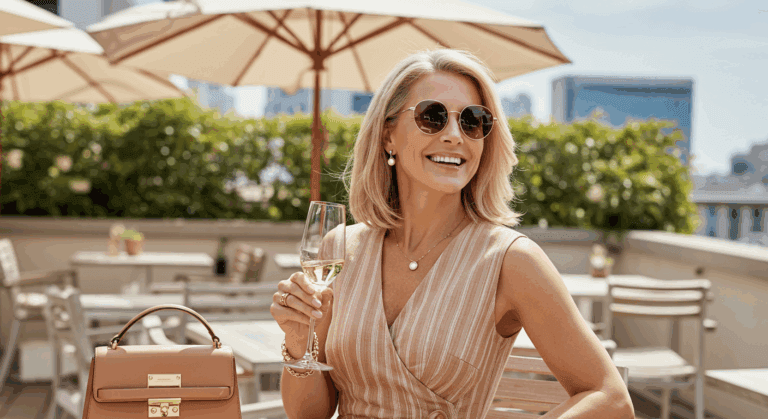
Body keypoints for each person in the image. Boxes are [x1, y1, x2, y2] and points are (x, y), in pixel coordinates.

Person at [271, 49, 634, 419]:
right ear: (387, 136)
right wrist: (300, 342)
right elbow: (310, 413)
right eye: (433, 117)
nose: (454, 136)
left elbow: (611, 399)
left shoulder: (510, 260)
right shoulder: (340, 249)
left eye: (473, 121)